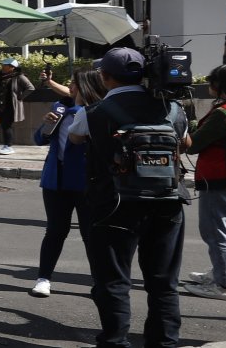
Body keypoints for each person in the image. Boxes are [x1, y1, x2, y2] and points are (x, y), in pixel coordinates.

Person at [68, 47, 191, 348]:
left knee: (113, 281)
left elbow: (74, 137)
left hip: (115, 204)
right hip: (167, 202)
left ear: (104, 76)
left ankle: (115, 342)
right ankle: (164, 343)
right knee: (164, 283)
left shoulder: (94, 112)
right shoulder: (173, 108)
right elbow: (186, 143)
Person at [30, 69, 107, 298]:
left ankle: (99, 282)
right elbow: (39, 139)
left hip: (86, 182)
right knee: (55, 231)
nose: (69, 87)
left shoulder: (99, 112)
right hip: (55, 180)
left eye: (74, 83)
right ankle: (43, 278)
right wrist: (46, 125)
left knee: (90, 234)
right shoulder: (60, 107)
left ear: (86, 87)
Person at [183, 62, 226, 302]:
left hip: (219, 177)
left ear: (221, 85)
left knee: (216, 231)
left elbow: (194, 145)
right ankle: (221, 273)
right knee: (225, 228)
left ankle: (225, 285)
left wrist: (185, 128)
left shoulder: (225, 113)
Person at [0, 57, 34, 155]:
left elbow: (30, 88)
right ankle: (6, 145)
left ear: (12, 67)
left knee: (6, 125)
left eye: (5, 65)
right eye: (2, 65)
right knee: (3, 125)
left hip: (10, 106)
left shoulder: (19, 76)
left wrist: (20, 97)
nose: (2, 67)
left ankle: (8, 146)